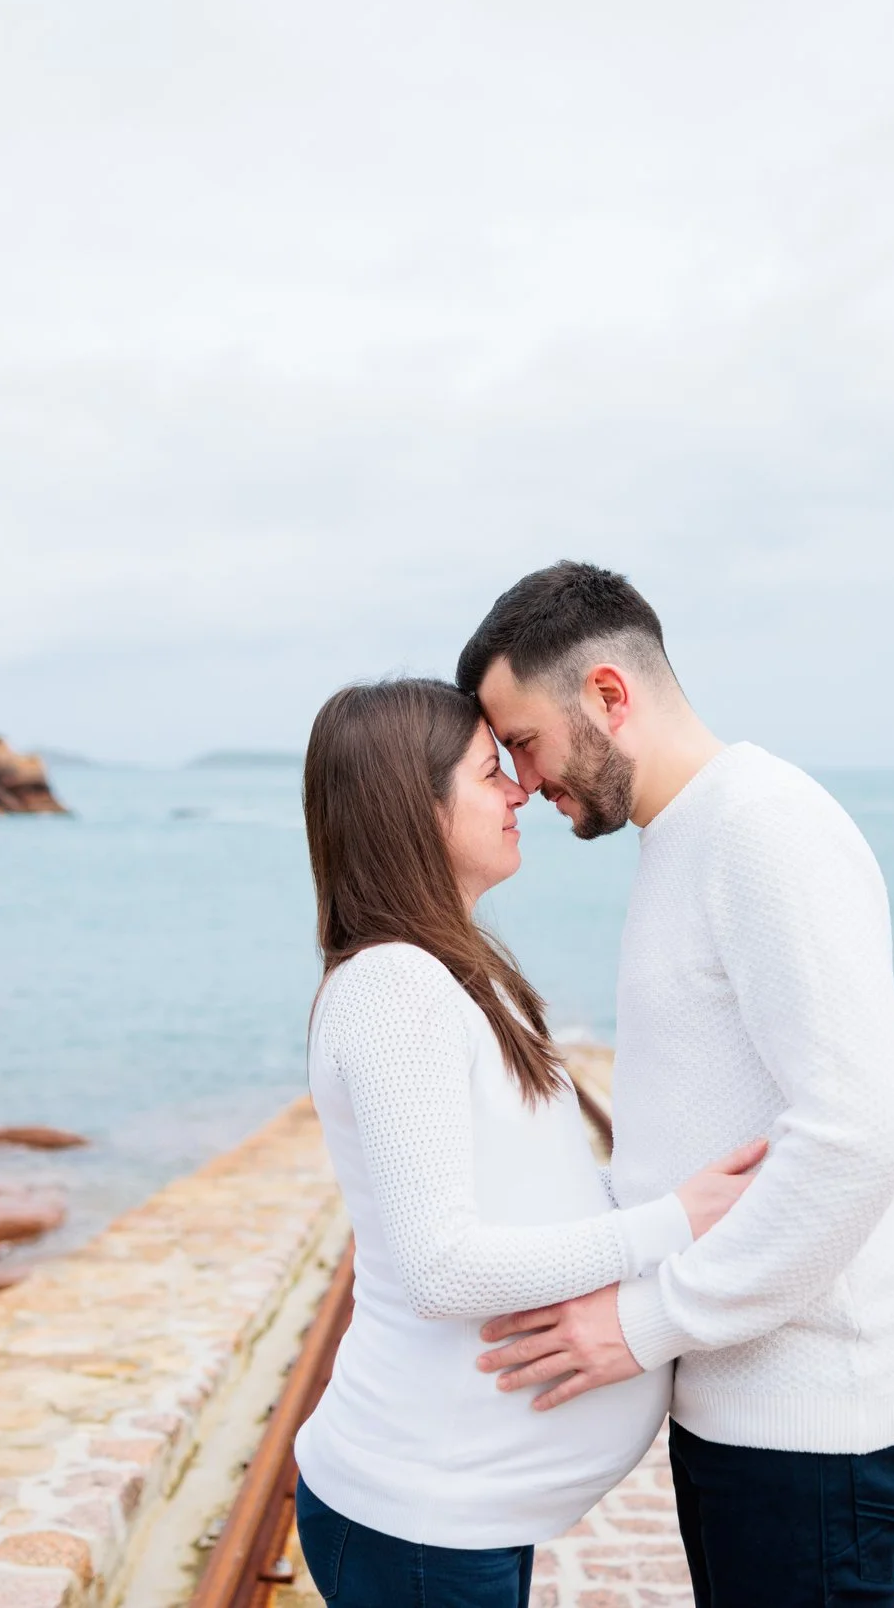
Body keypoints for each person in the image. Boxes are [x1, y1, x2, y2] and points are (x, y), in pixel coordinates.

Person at [456, 562, 894, 1608]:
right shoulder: (682, 837)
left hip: (814, 1420)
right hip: (741, 1403)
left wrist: (644, 1323)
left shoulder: (762, 828)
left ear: (608, 693)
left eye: (527, 743)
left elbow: (862, 1134)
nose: (527, 784)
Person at [293, 677, 770, 1607]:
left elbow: (528, 1187)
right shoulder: (395, 989)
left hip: (462, 1511)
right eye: (488, 772)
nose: (519, 791)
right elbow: (442, 1269)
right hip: (420, 1513)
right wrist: (671, 1222)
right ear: (413, 808)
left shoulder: (459, 974)